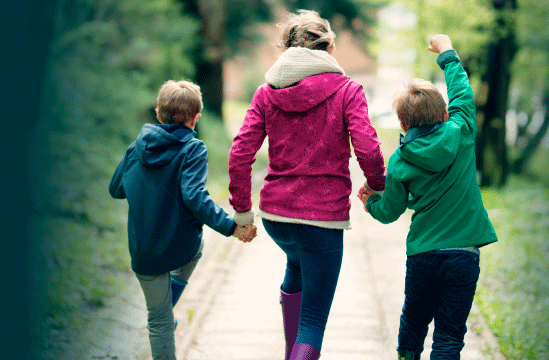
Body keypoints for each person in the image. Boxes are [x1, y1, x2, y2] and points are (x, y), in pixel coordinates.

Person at [228, 10, 387, 360]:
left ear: (286, 48)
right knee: (313, 320)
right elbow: (368, 149)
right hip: (323, 220)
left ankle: (291, 353)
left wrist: (242, 211)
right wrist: (377, 186)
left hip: (277, 218)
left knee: (296, 266)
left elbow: (240, 152)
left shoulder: (265, 93)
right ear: (329, 48)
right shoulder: (348, 90)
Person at [359, 34, 498, 360]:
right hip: (464, 255)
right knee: (450, 335)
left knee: (414, 320)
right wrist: (447, 52)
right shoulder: (462, 131)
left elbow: (390, 211)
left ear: (403, 123)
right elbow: (462, 90)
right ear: (445, 112)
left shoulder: (400, 160)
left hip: (423, 254)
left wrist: (370, 202)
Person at [109, 80, 257, 360]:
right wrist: (230, 227)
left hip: (144, 251)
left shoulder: (136, 147)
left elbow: (116, 188)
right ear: (196, 117)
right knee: (197, 247)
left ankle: (164, 311)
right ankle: (167, 309)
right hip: (181, 248)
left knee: (158, 320)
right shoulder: (192, 149)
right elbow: (194, 196)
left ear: (157, 112)